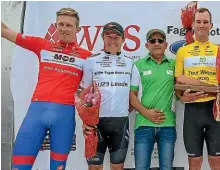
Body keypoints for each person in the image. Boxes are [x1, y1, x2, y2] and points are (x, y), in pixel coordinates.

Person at [1, 7, 92, 170]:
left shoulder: (87, 57)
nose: (64, 29)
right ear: (55, 26)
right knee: (18, 167)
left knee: (58, 168)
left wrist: (88, 120)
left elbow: (89, 92)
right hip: (37, 111)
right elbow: (5, 31)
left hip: (64, 116)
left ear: (78, 29)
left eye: (69, 25)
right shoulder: (43, 45)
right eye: (60, 24)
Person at [175, 7, 220, 170]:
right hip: (192, 110)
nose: (202, 25)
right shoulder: (183, 51)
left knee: (216, 162)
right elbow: (179, 77)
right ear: (192, 24)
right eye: (198, 22)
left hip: (215, 109)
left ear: (211, 25)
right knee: (195, 162)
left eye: (205, 22)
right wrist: (207, 86)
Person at [80, 22, 132, 170]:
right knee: (94, 167)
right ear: (103, 37)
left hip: (120, 122)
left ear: (123, 39)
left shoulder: (130, 63)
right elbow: (84, 92)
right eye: (109, 36)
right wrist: (85, 120)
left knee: (118, 166)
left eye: (117, 37)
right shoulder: (91, 62)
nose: (112, 40)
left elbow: (133, 94)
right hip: (96, 123)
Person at [129, 29, 177, 170]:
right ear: (147, 45)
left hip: (167, 124)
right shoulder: (138, 65)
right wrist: (147, 113)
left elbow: (181, 88)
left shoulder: (174, 64)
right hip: (144, 124)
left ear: (166, 44)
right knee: (141, 168)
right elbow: (132, 94)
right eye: (152, 41)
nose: (156, 43)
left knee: (166, 168)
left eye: (160, 41)